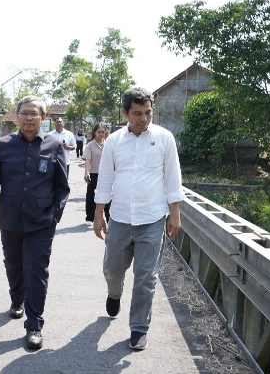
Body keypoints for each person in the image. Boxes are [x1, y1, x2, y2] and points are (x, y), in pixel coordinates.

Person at [93, 87, 185, 350]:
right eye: (137, 113)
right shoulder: (113, 141)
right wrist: (98, 215)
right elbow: (106, 180)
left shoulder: (165, 138)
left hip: (153, 219)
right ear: (125, 113)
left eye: (148, 113)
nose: (144, 118)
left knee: (146, 276)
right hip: (120, 218)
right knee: (112, 269)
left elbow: (172, 178)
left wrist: (174, 214)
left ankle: (138, 328)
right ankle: (114, 293)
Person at [0, 95, 70, 350]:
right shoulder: (4, 145)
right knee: (14, 265)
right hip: (10, 218)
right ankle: (16, 299)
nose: (29, 118)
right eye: (24, 113)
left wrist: (55, 215)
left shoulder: (54, 145)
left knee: (37, 270)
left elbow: (62, 187)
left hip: (42, 221)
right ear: (17, 117)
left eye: (34, 114)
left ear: (43, 118)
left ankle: (34, 324)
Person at [82, 124, 110, 228]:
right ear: (95, 133)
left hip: (107, 174)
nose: (101, 134)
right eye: (99, 132)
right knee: (91, 195)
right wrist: (86, 172)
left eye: (103, 132)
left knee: (108, 196)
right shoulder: (90, 145)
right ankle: (89, 217)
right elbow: (88, 159)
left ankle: (109, 217)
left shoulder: (108, 144)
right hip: (94, 173)